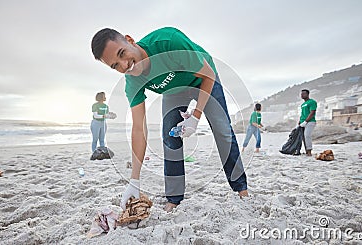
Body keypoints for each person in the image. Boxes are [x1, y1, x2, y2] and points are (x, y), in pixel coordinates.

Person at [91, 27, 248, 212]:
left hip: (204, 77)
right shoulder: (132, 81)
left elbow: (208, 75)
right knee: (169, 137)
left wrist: (195, 117)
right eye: (115, 65)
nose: (125, 65)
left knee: (222, 130)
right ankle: (174, 198)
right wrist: (134, 180)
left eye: (122, 53)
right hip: (174, 91)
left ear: (129, 40)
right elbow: (139, 129)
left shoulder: (168, 42)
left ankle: (241, 189)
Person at [298, 89, 317, 156]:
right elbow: (303, 114)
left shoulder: (312, 102)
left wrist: (306, 121)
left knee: (307, 135)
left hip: (310, 122)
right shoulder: (303, 104)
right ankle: (306, 150)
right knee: (303, 137)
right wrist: (300, 121)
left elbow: (312, 112)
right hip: (302, 122)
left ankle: (309, 152)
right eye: (301, 94)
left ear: (307, 94)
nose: (302, 95)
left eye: (304, 93)